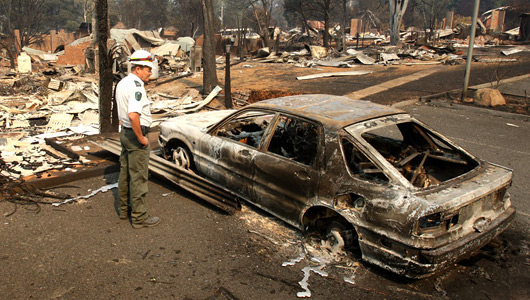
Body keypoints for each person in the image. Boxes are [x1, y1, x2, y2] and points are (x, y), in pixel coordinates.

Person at [115, 50, 160, 228]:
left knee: (125, 173)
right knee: (139, 176)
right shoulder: (136, 86)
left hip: (125, 132)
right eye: (148, 69)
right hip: (135, 133)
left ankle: (124, 210)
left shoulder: (123, 82)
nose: (150, 72)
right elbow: (133, 115)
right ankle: (140, 217)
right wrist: (141, 138)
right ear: (138, 68)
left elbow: (122, 112)